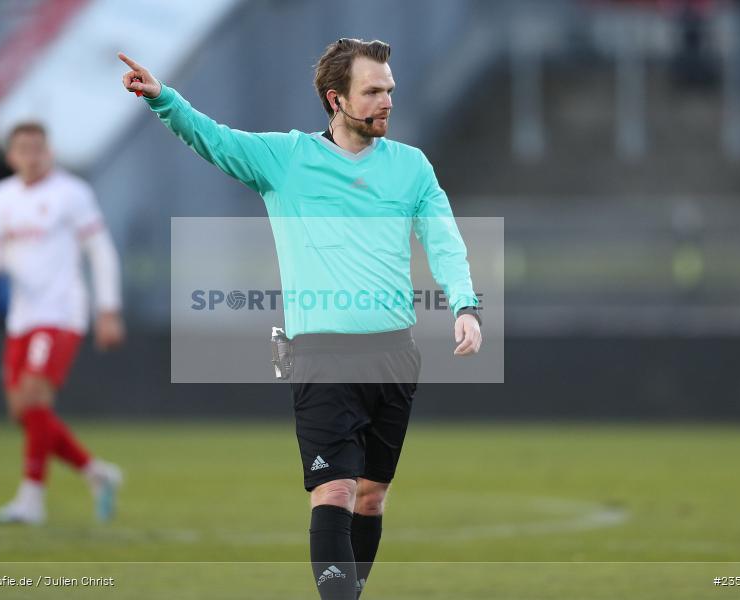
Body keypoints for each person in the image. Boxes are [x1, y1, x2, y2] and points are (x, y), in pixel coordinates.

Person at [119, 38, 481, 599]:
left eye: (389, 90)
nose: (387, 100)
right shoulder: (286, 159)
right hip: (321, 355)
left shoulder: (411, 167)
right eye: (373, 91)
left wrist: (464, 303)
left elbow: (445, 240)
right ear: (336, 100)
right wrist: (164, 99)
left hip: (395, 355)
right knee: (333, 491)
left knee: (370, 497)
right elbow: (215, 141)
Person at [0, 122, 126, 525]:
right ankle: (96, 472)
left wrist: (108, 309)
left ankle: (31, 500)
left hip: (60, 312)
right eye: (23, 149)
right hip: (22, 317)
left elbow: (100, 251)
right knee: (23, 412)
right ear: (11, 156)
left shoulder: (71, 193)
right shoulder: (2, 196)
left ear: (49, 151)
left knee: (33, 397)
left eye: (38, 147)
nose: (32, 155)